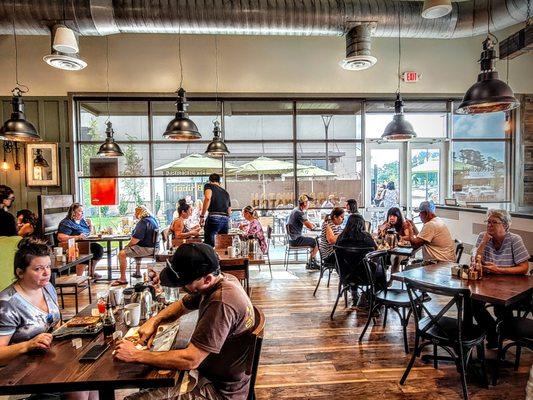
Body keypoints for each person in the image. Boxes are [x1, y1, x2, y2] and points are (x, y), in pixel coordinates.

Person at [115, 243, 255, 400]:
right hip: (210, 373)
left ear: (207, 278)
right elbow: (183, 305)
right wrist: (155, 320)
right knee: (152, 378)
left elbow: (191, 359)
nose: (181, 287)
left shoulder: (220, 302)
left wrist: (136, 355)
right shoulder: (222, 280)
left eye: (185, 283)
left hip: (218, 390)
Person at [0, 239, 98, 399]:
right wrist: (27, 345)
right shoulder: (7, 304)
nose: (47, 273)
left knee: (92, 378)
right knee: (79, 386)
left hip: (49, 361)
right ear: (20, 272)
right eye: (38, 269)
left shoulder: (47, 288)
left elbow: (55, 323)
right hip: (21, 373)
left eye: (47, 267)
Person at [471, 209, 530, 348]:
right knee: (473, 303)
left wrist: (499, 270)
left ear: (505, 225)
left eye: (494, 222)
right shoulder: (482, 236)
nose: (489, 225)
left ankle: (501, 334)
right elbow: (475, 261)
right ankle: (493, 334)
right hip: (488, 284)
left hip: (511, 285)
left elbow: (524, 267)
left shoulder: (514, 239)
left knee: (501, 308)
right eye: (488, 222)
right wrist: (484, 242)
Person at [336, 214, 377, 309]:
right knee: (379, 271)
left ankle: (354, 293)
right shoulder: (366, 237)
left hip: (345, 274)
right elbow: (375, 251)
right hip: (365, 275)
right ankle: (367, 296)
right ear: (362, 224)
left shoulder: (341, 237)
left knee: (352, 264)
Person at [113, 205, 160, 286]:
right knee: (134, 249)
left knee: (121, 254)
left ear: (140, 213)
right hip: (154, 248)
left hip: (147, 248)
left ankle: (123, 278)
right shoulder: (152, 219)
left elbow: (135, 240)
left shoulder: (143, 222)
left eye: (135, 212)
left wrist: (127, 246)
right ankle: (137, 272)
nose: (134, 214)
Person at [57, 203, 103, 279]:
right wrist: (77, 237)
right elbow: (61, 237)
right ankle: (79, 277)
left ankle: (91, 272)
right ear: (73, 212)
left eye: (82, 212)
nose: (82, 213)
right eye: (80, 211)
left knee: (98, 249)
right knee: (90, 250)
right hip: (74, 246)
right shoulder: (66, 223)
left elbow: (86, 232)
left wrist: (90, 225)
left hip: (85, 243)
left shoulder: (81, 220)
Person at [287, 194, 319, 270]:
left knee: (313, 241)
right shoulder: (299, 212)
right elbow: (309, 226)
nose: (309, 204)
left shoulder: (295, 210)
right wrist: (314, 226)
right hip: (296, 240)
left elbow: (306, 223)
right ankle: (311, 263)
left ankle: (312, 262)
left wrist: (311, 224)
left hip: (292, 238)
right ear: (305, 203)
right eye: (308, 202)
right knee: (317, 242)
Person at [200, 173, 231, 247]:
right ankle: (221, 258)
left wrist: (202, 215)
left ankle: (211, 258)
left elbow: (207, 198)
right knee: (222, 245)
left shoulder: (209, 186)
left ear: (210, 181)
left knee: (209, 245)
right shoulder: (225, 192)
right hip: (225, 219)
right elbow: (229, 210)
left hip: (214, 217)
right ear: (219, 181)